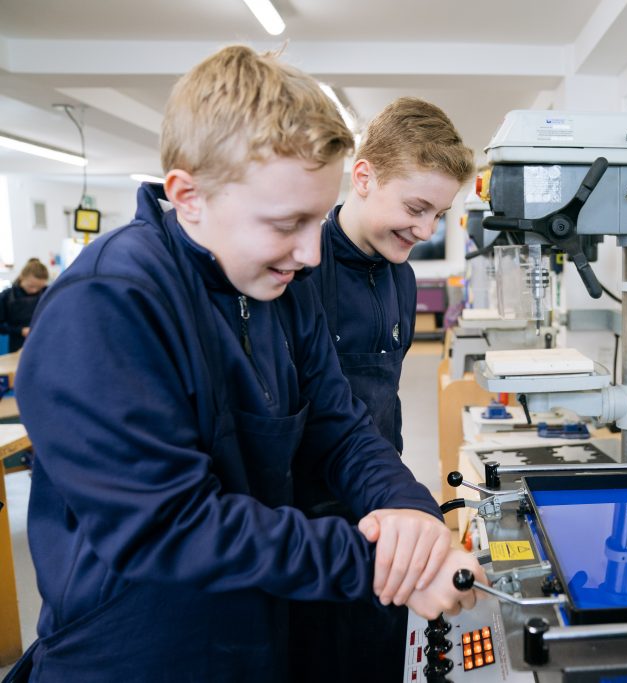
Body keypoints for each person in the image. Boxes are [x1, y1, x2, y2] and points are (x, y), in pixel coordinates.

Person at [6, 45, 482, 683]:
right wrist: (376, 562)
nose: (312, 253)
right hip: (140, 652)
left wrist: (410, 511)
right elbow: (171, 526)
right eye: (287, 223)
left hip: (252, 625)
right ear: (189, 195)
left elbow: (337, 424)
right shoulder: (106, 307)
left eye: (318, 219)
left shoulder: (279, 285)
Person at [292, 98, 474, 682]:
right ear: (364, 177)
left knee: (382, 653)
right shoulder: (300, 273)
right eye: (417, 208)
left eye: (438, 215)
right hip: (309, 517)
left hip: (379, 491)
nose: (425, 231)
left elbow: (380, 404)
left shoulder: (399, 274)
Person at [0, 258, 49, 353]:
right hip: (18, 345)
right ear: (22, 277)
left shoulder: (48, 293)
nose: (34, 290)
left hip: (44, 342)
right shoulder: (6, 296)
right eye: (31, 286)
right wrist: (20, 330)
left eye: (39, 287)